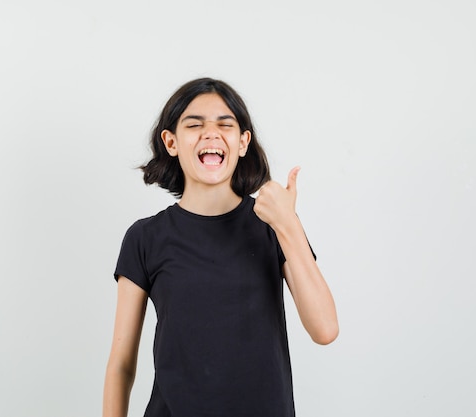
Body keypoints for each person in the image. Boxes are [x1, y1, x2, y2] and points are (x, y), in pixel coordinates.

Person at [103, 77, 338, 417]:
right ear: (171, 141)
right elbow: (121, 365)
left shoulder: (275, 227)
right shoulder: (145, 238)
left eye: (225, 125)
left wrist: (288, 224)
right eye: (194, 124)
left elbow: (326, 329)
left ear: (243, 142)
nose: (211, 133)